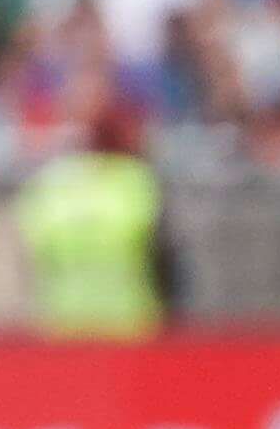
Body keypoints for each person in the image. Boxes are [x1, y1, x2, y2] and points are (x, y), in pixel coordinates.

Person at [14, 106, 171, 337]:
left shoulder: (48, 185)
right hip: (128, 323)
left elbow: (29, 254)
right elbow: (161, 250)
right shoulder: (136, 180)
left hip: (63, 321)